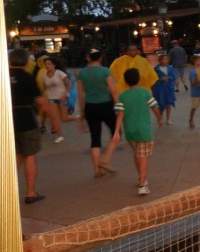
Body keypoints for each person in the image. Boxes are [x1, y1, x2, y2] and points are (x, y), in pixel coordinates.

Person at [107, 68, 162, 196]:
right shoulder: (145, 92)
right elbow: (155, 107)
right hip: (143, 130)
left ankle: (141, 177)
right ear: (138, 79)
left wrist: (116, 131)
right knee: (143, 157)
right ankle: (143, 184)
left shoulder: (122, 96)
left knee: (137, 154)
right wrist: (159, 119)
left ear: (126, 81)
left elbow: (120, 114)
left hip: (130, 131)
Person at [9, 48, 51, 203]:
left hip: (9, 121)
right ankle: (30, 193)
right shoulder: (27, 77)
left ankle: (6, 190)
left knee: (16, 156)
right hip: (27, 120)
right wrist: (50, 116)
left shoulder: (3, 77)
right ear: (26, 61)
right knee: (30, 155)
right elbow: (40, 101)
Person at [77, 49, 119, 178]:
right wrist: (118, 105)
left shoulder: (81, 73)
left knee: (95, 137)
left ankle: (97, 170)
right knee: (116, 132)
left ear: (88, 58)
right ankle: (105, 159)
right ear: (100, 58)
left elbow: (80, 94)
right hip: (106, 104)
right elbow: (113, 90)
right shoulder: (105, 71)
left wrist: (82, 112)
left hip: (90, 106)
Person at [41, 57, 75, 143]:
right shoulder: (44, 76)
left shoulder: (59, 73)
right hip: (51, 98)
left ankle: (78, 117)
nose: (47, 66)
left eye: (49, 64)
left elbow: (69, 84)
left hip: (62, 97)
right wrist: (43, 97)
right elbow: (44, 88)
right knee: (54, 117)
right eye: (46, 64)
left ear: (54, 65)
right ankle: (60, 136)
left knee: (64, 118)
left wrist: (65, 93)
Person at [152, 54, 177, 125]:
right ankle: (160, 118)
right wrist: (161, 79)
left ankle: (168, 119)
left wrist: (169, 78)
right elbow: (154, 78)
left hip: (169, 88)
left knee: (168, 104)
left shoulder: (170, 68)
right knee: (161, 104)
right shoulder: (156, 69)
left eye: (167, 59)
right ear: (160, 60)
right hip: (160, 89)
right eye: (164, 59)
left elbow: (173, 76)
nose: (166, 60)